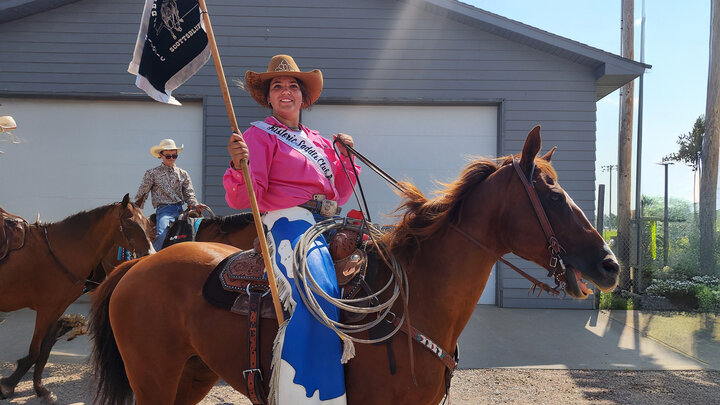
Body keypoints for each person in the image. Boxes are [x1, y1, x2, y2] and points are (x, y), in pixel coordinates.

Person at [224, 54, 359, 405]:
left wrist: (345, 159)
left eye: (293, 86)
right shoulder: (258, 135)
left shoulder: (320, 141)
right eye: (278, 87)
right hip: (288, 220)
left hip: (327, 220)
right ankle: (304, 394)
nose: (286, 92)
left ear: (304, 97)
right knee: (318, 288)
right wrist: (240, 166)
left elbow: (340, 193)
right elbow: (243, 198)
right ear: (268, 98)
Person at [135, 138, 207, 251]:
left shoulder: (183, 174)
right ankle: (152, 259)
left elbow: (189, 194)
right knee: (163, 235)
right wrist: (136, 209)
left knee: (198, 233)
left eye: (174, 156)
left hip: (181, 210)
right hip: (164, 210)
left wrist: (196, 205)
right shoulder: (152, 173)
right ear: (161, 155)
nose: (172, 158)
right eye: (168, 156)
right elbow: (142, 193)